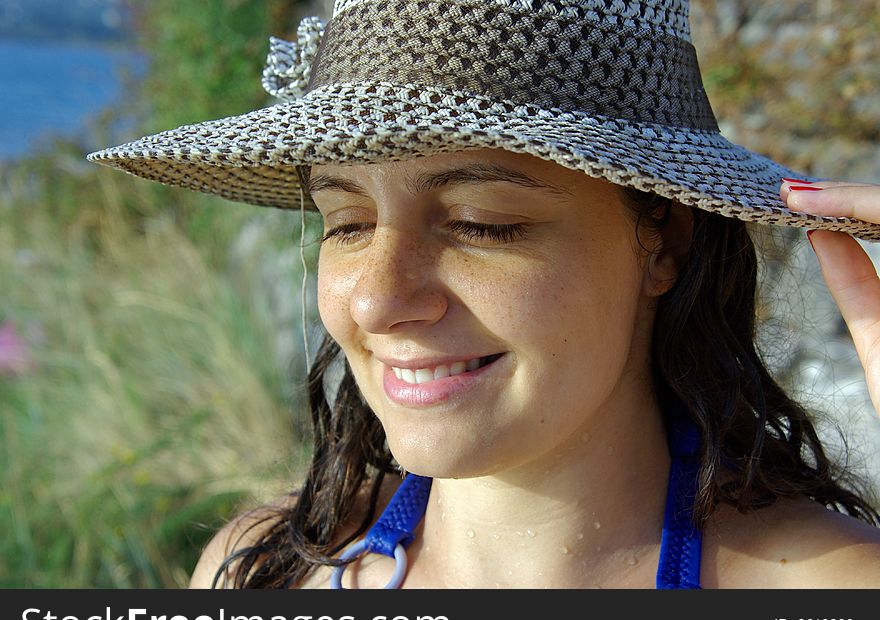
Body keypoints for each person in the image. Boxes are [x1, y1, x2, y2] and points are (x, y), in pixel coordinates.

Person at [89, 0, 880, 588]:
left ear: (664, 239)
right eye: (348, 222)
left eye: (479, 222)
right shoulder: (261, 578)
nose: (375, 301)